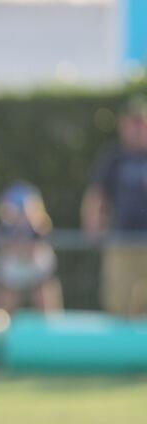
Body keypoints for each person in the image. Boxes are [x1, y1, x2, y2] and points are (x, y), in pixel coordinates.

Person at [81, 96, 147, 317]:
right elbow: (97, 195)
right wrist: (93, 226)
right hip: (121, 241)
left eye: (141, 124)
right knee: (118, 302)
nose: (137, 130)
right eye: (133, 124)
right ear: (124, 126)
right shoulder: (114, 157)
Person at [0, 181, 63, 313]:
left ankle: (50, 325)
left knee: (44, 292)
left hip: (35, 266)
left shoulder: (38, 225)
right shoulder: (5, 227)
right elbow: (5, 246)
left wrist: (31, 220)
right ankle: (1, 328)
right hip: (13, 268)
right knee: (6, 296)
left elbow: (43, 236)